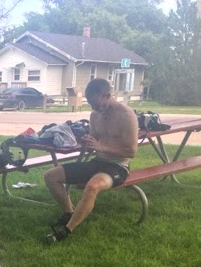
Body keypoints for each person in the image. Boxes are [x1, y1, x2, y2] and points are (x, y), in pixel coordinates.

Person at [43, 78, 138, 242]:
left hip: (117, 167)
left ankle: (67, 230)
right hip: (98, 161)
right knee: (51, 176)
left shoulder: (126, 115)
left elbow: (131, 151)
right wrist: (86, 141)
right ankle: (69, 213)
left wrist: (101, 147)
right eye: (91, 105)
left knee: (92, 186)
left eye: (97, 104)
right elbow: (94, 139)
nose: (95, 109)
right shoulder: (95, 115)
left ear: (108, 95)